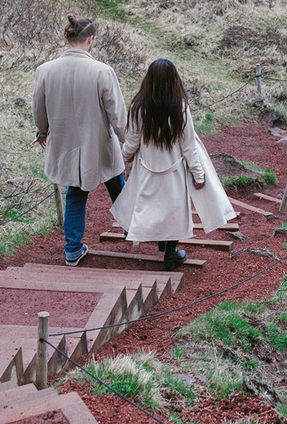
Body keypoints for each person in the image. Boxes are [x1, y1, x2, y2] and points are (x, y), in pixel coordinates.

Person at [113, 59, 235, 270]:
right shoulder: (180, 108)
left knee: (150, 206)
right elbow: (189, 147)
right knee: (173, 209)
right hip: (174, 170)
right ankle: (171, 252)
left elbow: (131, 140)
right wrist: (198, 174)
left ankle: (161, 242)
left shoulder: (138, 107)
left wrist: (127, 155)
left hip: (146, 168)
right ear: (173, 80)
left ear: (149, 79)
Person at [33, 15, 127, 266]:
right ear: (91, 39)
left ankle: (73, 249)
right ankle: (132, 228)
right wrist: (128, 142)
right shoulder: (103, 71)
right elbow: (117, 115)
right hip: (100, 144)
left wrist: (42, 133)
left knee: (75, 193)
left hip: (65, 145)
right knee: (117, 183)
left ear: (68, 38)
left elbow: (39, 109)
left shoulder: (45, 71)